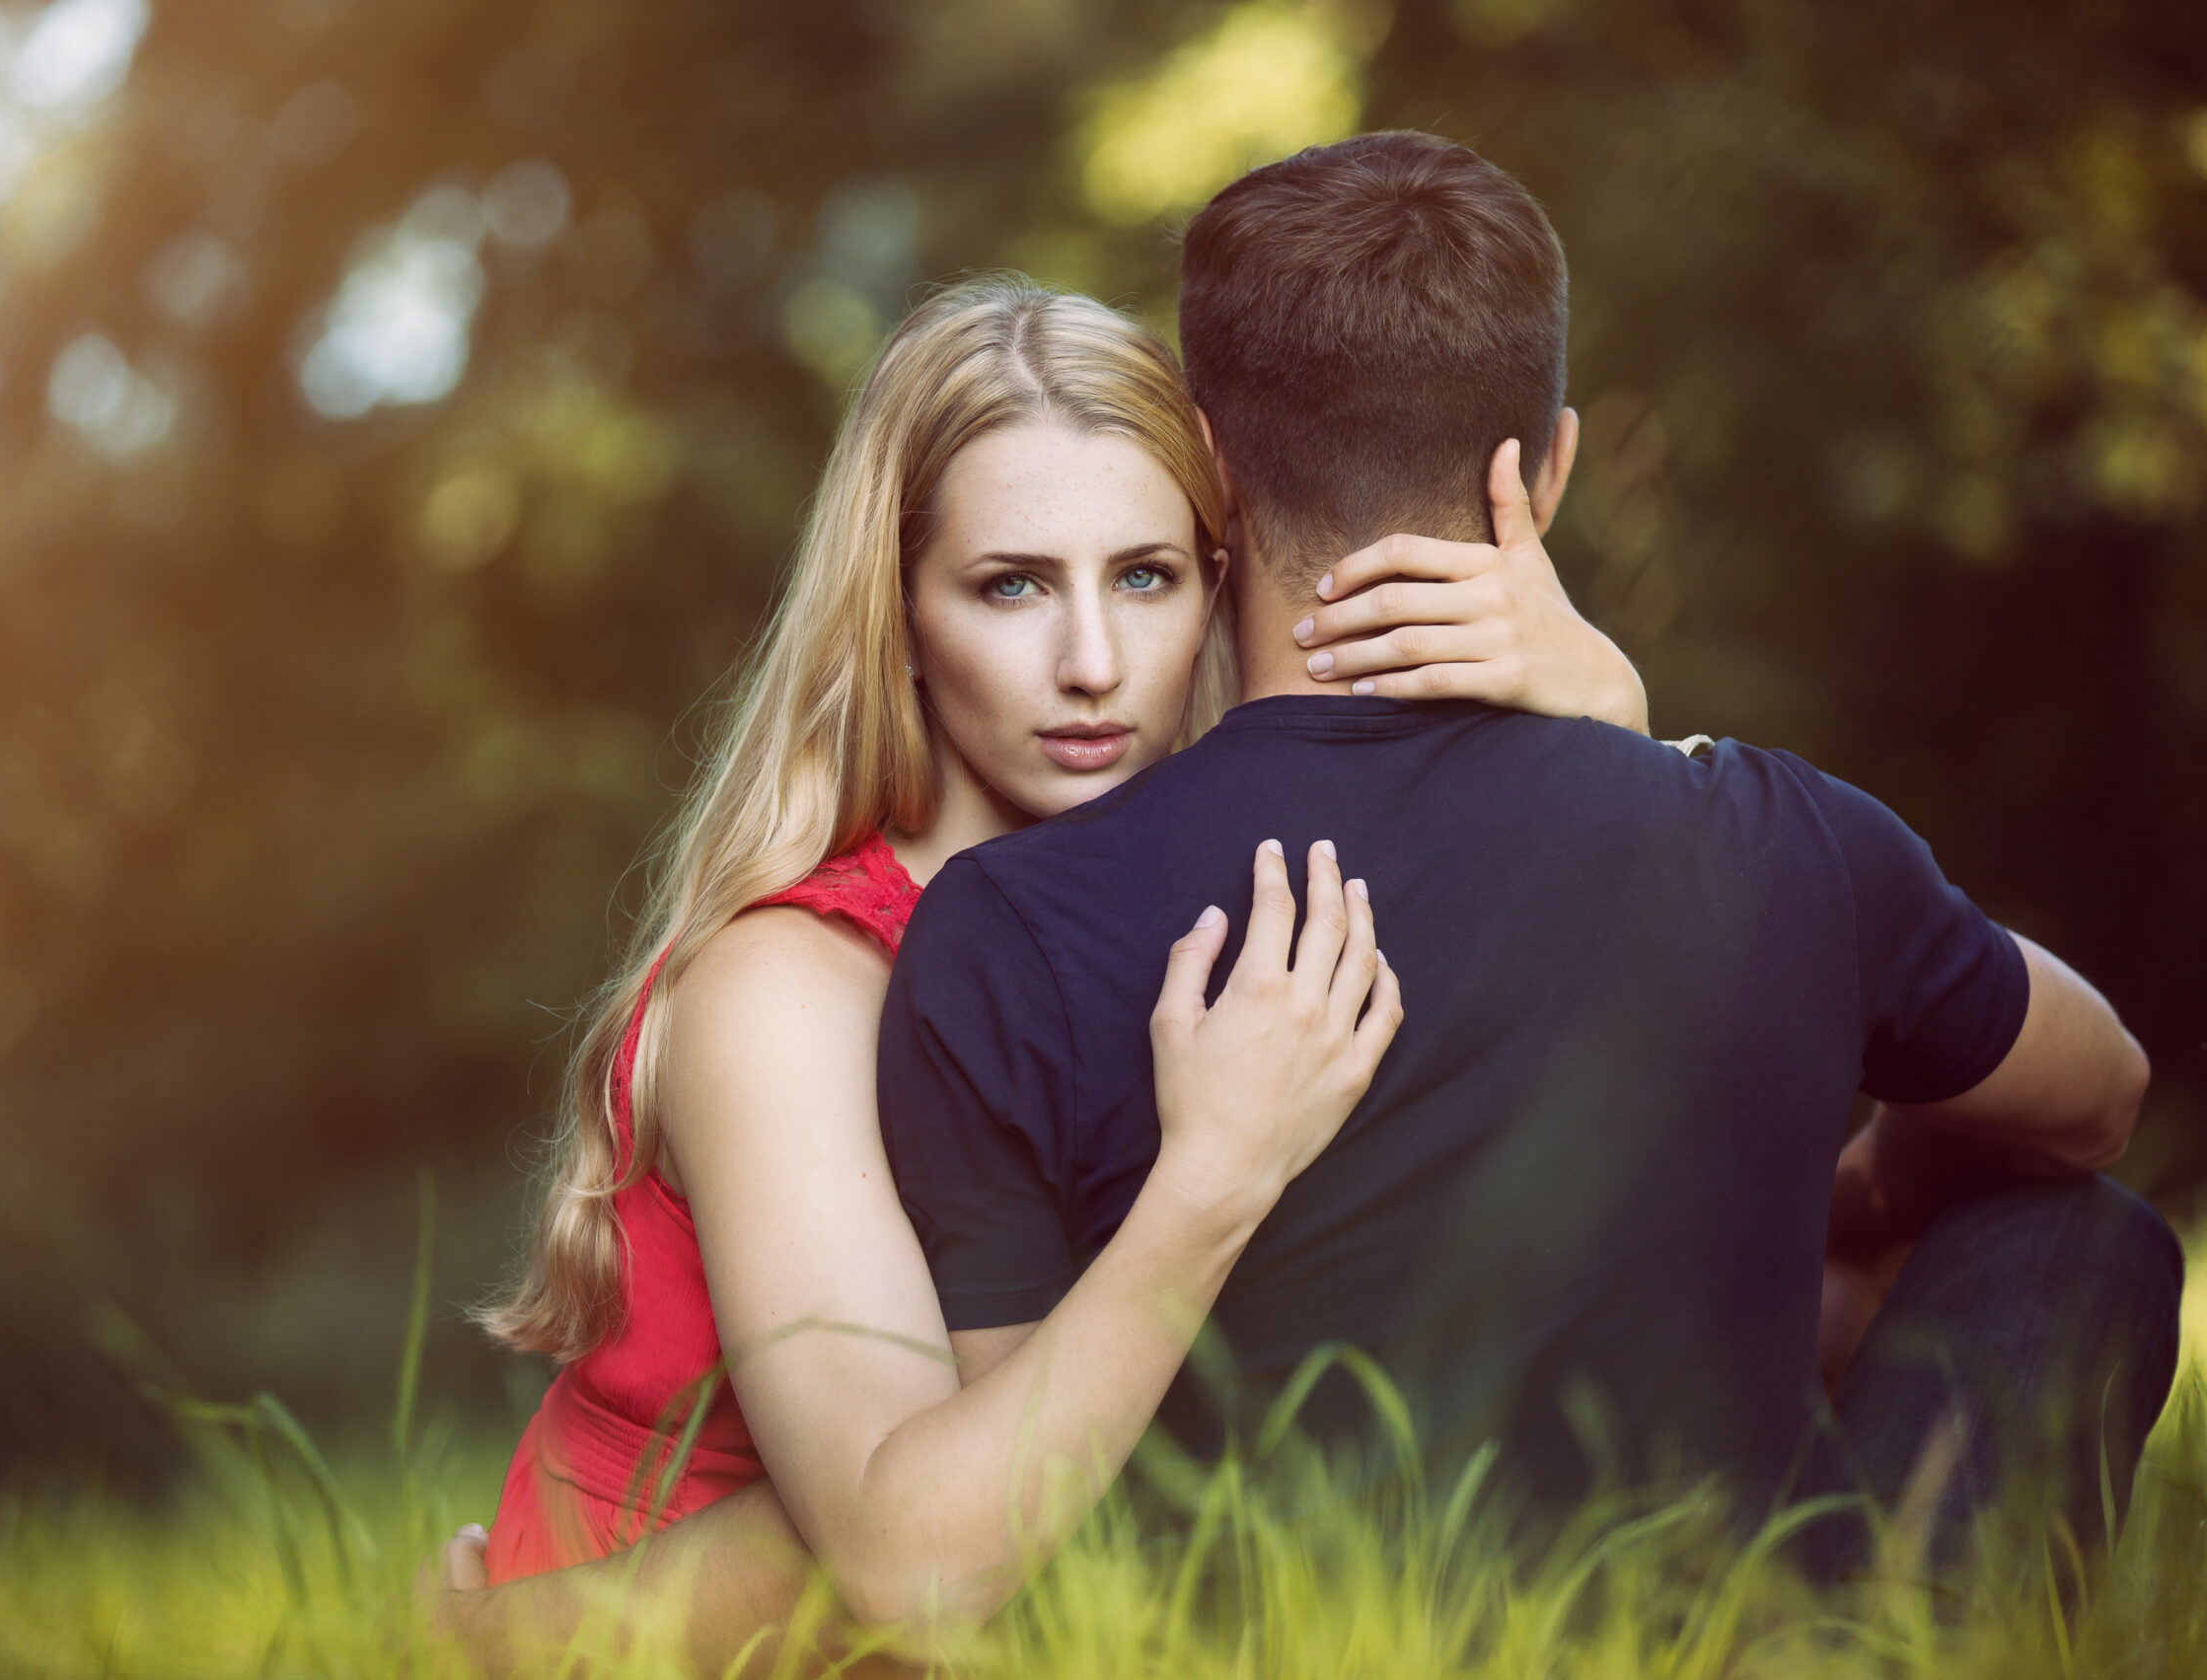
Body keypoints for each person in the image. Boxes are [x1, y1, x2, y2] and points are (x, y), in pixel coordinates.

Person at [876, 131, 2182, 1588]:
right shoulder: (1777, 840)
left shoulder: (1000, 926)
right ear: (1546, 471)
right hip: (1753, 1636)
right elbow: (2098, 1093)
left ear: (1210, 471)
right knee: (2076, 1233)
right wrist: (1875, 1180)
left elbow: (1011, 1546)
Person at [436, 274, 1655, 1666]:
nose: (1091, 664)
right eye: (1010, 586)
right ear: (898, 611)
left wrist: (1605, 737)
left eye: (1144, 576)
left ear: (1219, 579)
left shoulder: (1225, 904)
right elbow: (898, 1566)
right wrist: (499, 1649)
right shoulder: (788, 990)